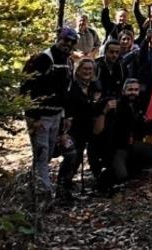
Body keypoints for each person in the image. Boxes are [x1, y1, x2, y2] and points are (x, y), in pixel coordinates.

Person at [21, 27, 77, 202]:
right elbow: (27, 89)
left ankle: (39, 188)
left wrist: (66, 115)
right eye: (65, 40)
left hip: (57, 115)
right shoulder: (43, 59)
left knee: (52, 152)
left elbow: (66, 91)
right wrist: (32, 117)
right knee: (41, 153)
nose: (67, 44)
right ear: (58, 38)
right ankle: (43, 195)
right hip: (41, 117)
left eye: (71, 42)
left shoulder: (67, 62)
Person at [96, 79, 152, 190]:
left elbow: (144, 128)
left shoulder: (139, 105)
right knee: (121, 177)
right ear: (123, 91)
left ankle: (133, 167)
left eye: (136, 90)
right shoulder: (115, 105)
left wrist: (146, 122)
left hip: (133, 145)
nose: (133, 92)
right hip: (117, 148)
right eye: (130, 90)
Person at [60, 57, 104, 196]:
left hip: (89, 127)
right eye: (84, 69)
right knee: (74, 156)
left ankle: (98, 182)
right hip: (72, 128)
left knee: (90, 154)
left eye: (90, 69)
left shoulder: (94, 86)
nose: (87, 72)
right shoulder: (71, 86)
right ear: (78, 70)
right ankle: (63, 188)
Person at [124, 26, 152, 142]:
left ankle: (149, 141)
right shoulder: (141, 52)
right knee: (139, 119)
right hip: (141, 93)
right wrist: (145, 40)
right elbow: (140, 58)